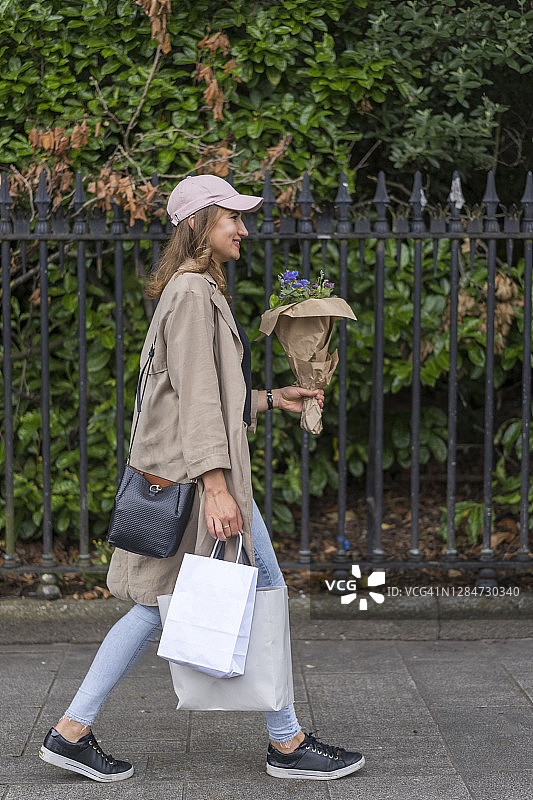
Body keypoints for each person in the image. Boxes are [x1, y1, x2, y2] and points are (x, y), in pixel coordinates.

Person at [38, 174, 365, 782]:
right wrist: (217, 488)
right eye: (231, 219)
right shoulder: (191, 293)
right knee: (235, 591)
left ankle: (72, 731)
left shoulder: (196, 290)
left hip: (195, 475)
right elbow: (194, 399)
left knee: (167, 604)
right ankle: (286, 744)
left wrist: (272, 398)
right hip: (198, 482)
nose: (244, 229)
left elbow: (211, 393)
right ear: (199, 226)